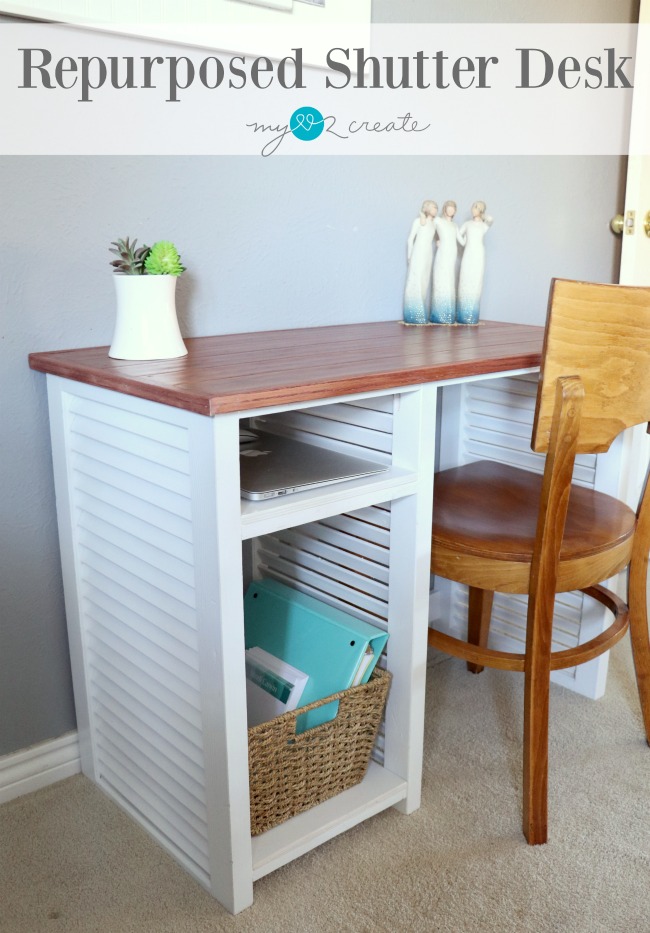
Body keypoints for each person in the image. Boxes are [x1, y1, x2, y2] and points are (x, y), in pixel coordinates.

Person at [457, 200, 493, 324]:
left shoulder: (484, 225)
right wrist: (464, 242)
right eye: (473, 206)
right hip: (468, 254)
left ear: (481, 211)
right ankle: (462, 315)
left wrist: (483, 215)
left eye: (477, 207)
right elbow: (459, 238)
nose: (473, 209)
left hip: (479, 255)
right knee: (465, 279)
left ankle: (472, 316)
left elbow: (491, 219)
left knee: (476, 282)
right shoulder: (467, 224)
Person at [403, 200, 438, 324]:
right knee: (416, 280)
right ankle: (413, 314)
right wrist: (410, 256)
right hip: (418, 253)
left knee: (424, 280)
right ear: (427, 208)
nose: (436, 209)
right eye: (434, 207)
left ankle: (421, 312)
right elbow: (410, 239)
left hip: (428, 253)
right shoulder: (418, 221)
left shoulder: (433, 224)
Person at [431, 200, 459, 324]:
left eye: (453, 208)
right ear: (444, 209)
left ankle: (448, 314)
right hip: (442, 253)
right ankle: (439, 315)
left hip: (452, 254)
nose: (451, 210)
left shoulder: (455, 225)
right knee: (441, 279)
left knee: (449, 280)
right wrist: (436, 239)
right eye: (449, 207)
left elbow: (461, 240)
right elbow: (428, 229)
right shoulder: (438, 220)